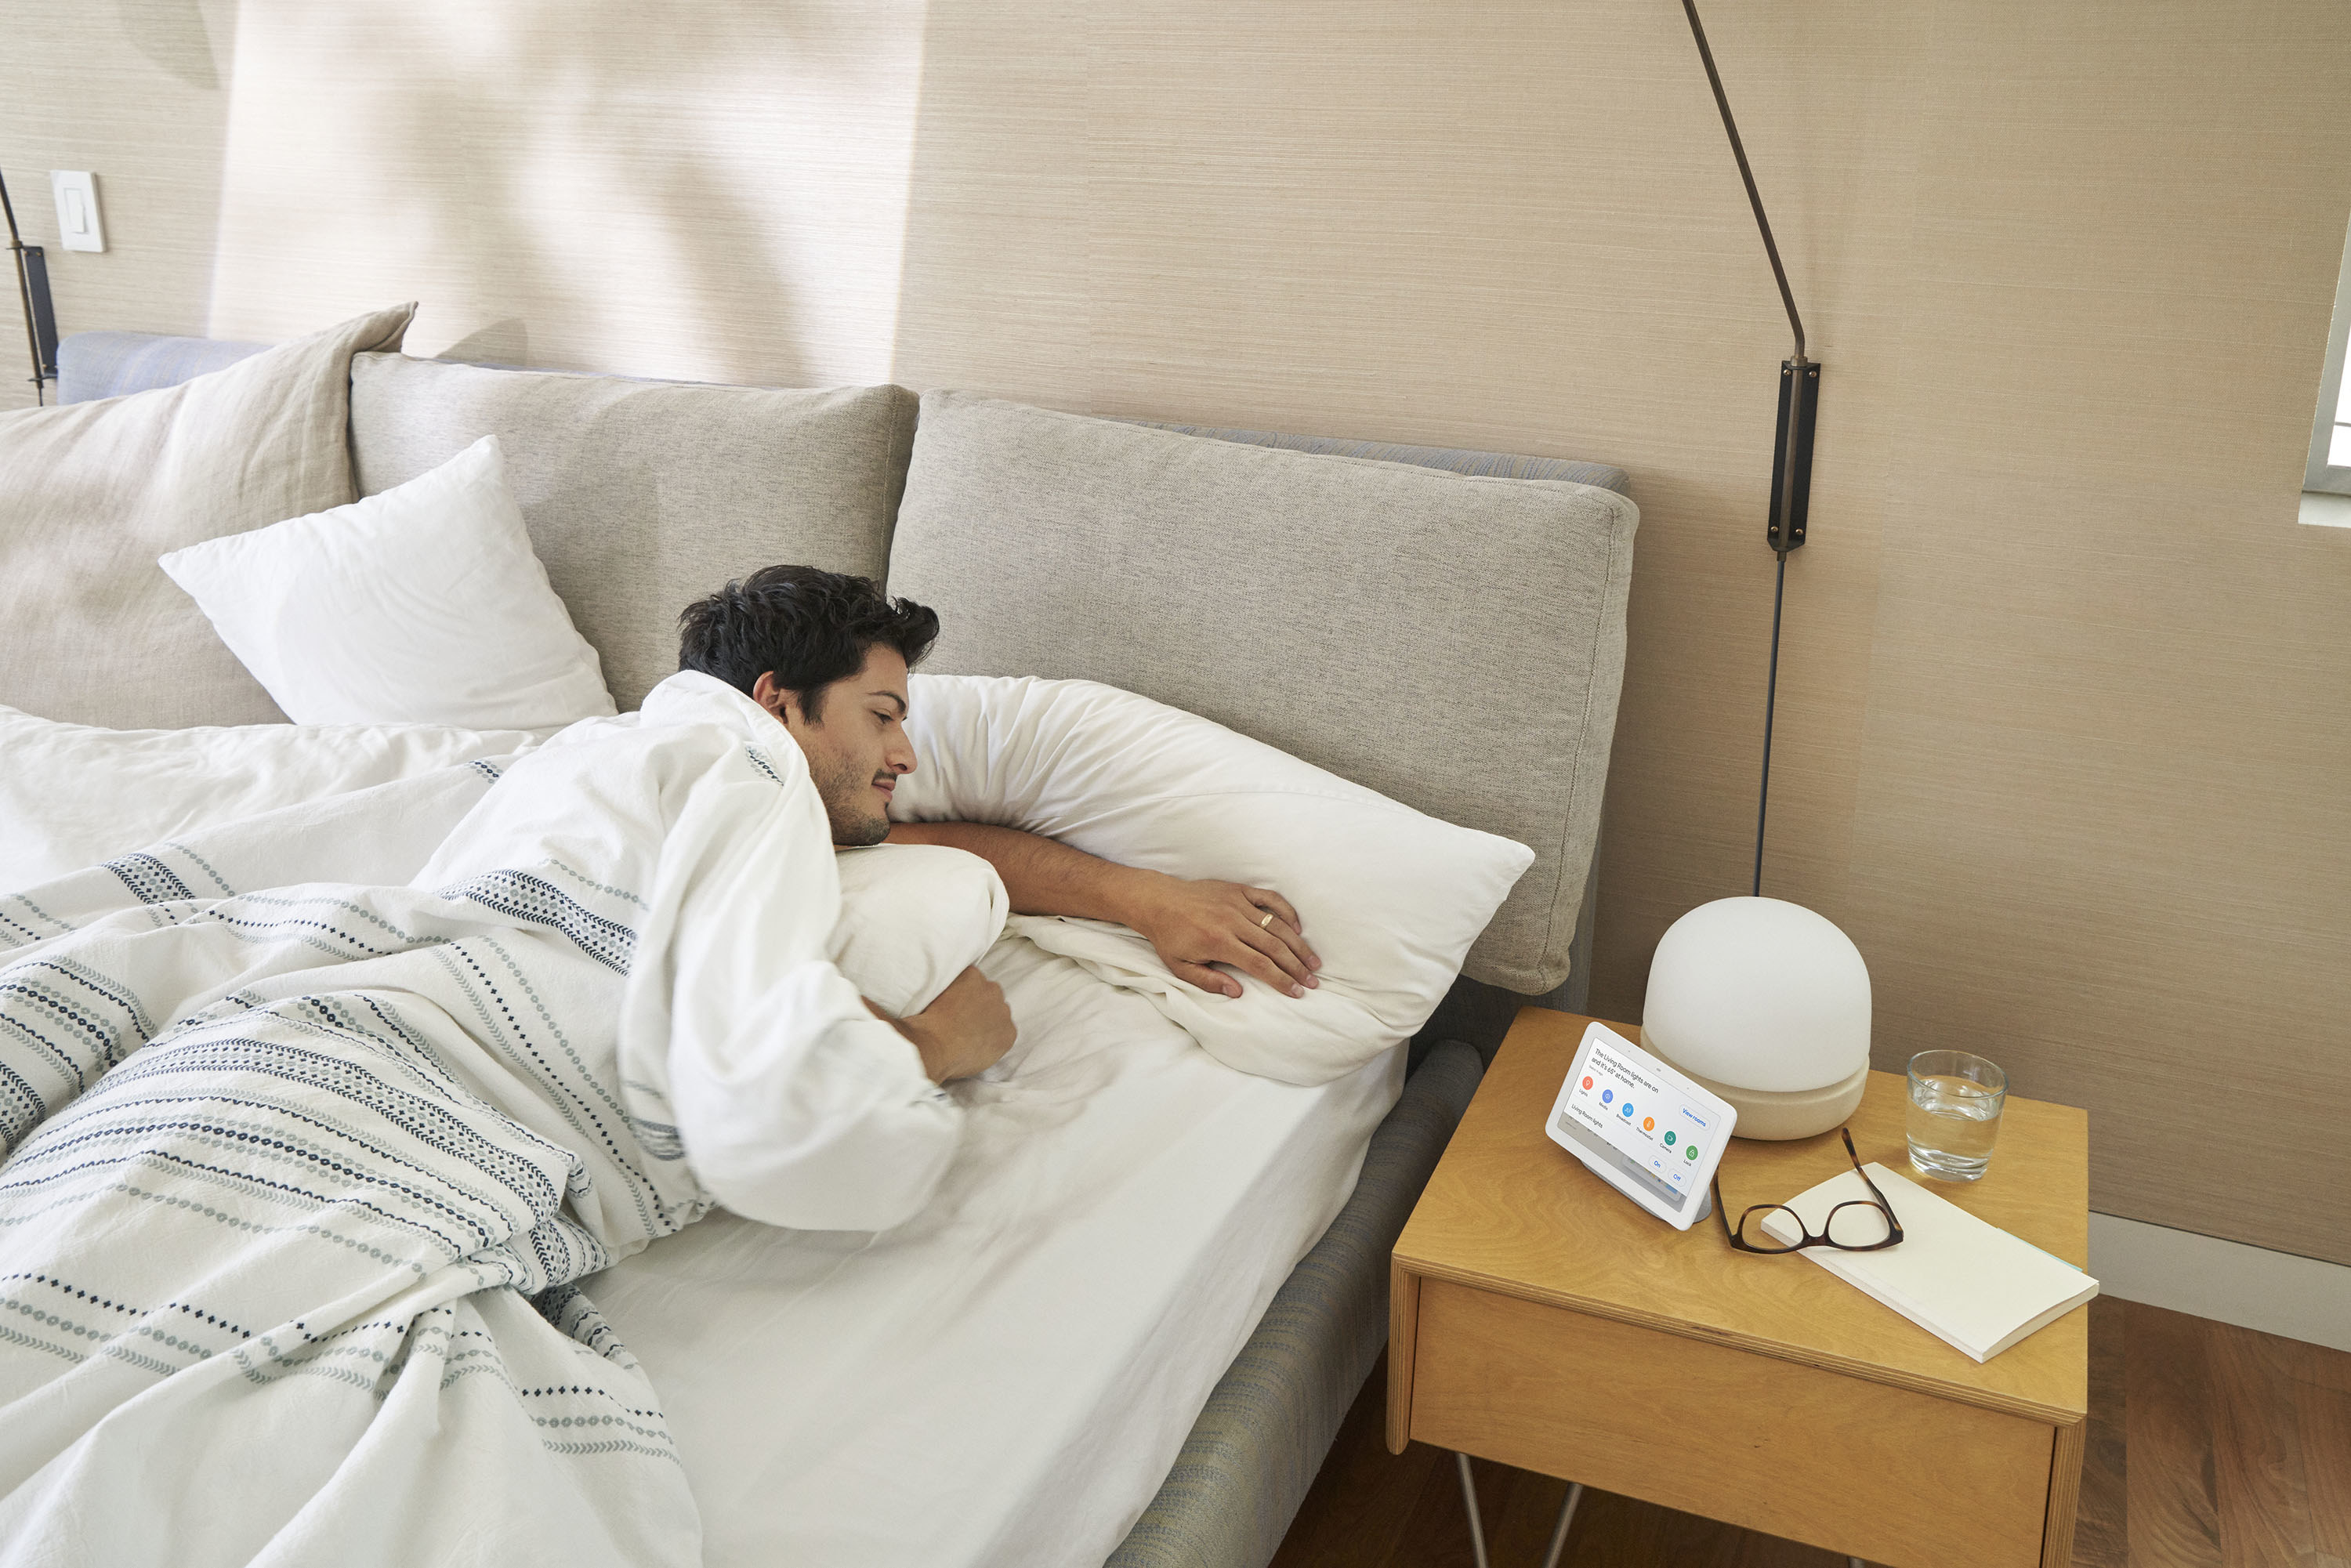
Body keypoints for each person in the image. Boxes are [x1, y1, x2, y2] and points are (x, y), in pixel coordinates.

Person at [676, 563, 1322, 1083]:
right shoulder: (678, 794)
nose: (906, 755)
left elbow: (927, 842)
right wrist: (935, 1047)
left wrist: (1143, 897)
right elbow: (747, 1018)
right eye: (881, 715)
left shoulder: (761, 815)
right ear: (776, 703)